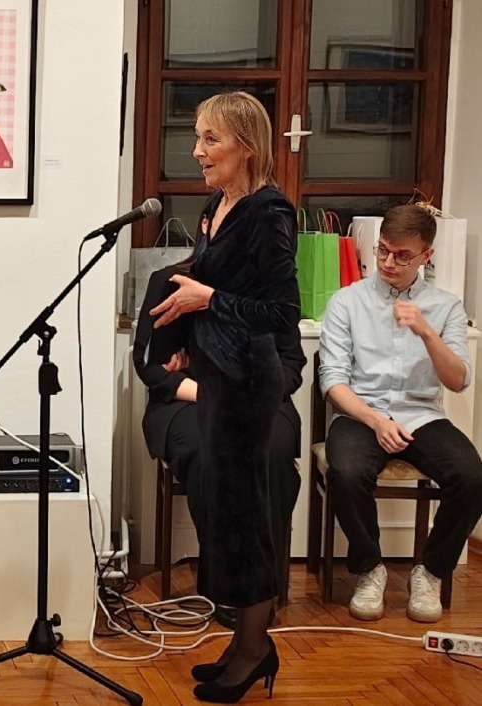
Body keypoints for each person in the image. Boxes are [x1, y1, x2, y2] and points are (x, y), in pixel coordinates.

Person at [149, 92, 300, 703]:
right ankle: (243, 645)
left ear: (248, 145)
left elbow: (280, 312)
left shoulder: (269, 212)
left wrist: (206, 302)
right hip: (216, 376)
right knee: (226, 513)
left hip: (248, 384)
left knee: (246, 517)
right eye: (197, 137)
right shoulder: (217, 205)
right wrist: (187, 342)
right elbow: (210, 288)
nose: (197, 151)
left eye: (211, 138)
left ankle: (255, 649)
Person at [318, 204, 482, 624]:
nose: (389, 262)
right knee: (347, 471)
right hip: (361, 414)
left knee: (471, 476)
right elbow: (332, 381)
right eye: (383, 251)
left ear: (426, 255)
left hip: (422, 415)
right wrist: (376, 422)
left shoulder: (446, 306)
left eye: (402, 255)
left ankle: (430, 572)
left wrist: (426, 331)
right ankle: (369, 569)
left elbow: (458, 380)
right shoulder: (347, 302)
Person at [134, 260, 304, 627]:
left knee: (272, 452)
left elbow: (292, 363)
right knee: (211, 450)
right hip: (188, 398)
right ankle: (227, 584)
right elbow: (150, 365)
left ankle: (262, 588)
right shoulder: (171, 281)